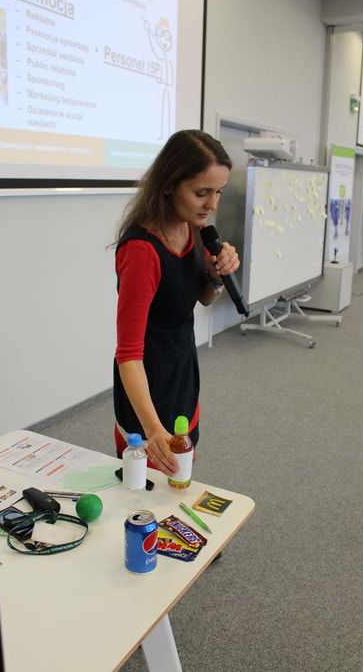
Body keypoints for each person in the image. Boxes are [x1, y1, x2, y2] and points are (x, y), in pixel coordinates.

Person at [113, 129, 240, 476]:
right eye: (202, 193)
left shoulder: (194, 231)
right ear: (169, 184)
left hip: (182, 376)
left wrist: (216, 275)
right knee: (143, 491)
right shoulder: (142, 251)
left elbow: (202, 298)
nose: (212, 205)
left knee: (180, 484)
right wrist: (154, 430)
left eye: (218, 192)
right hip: (147, 391)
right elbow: (128, 355)